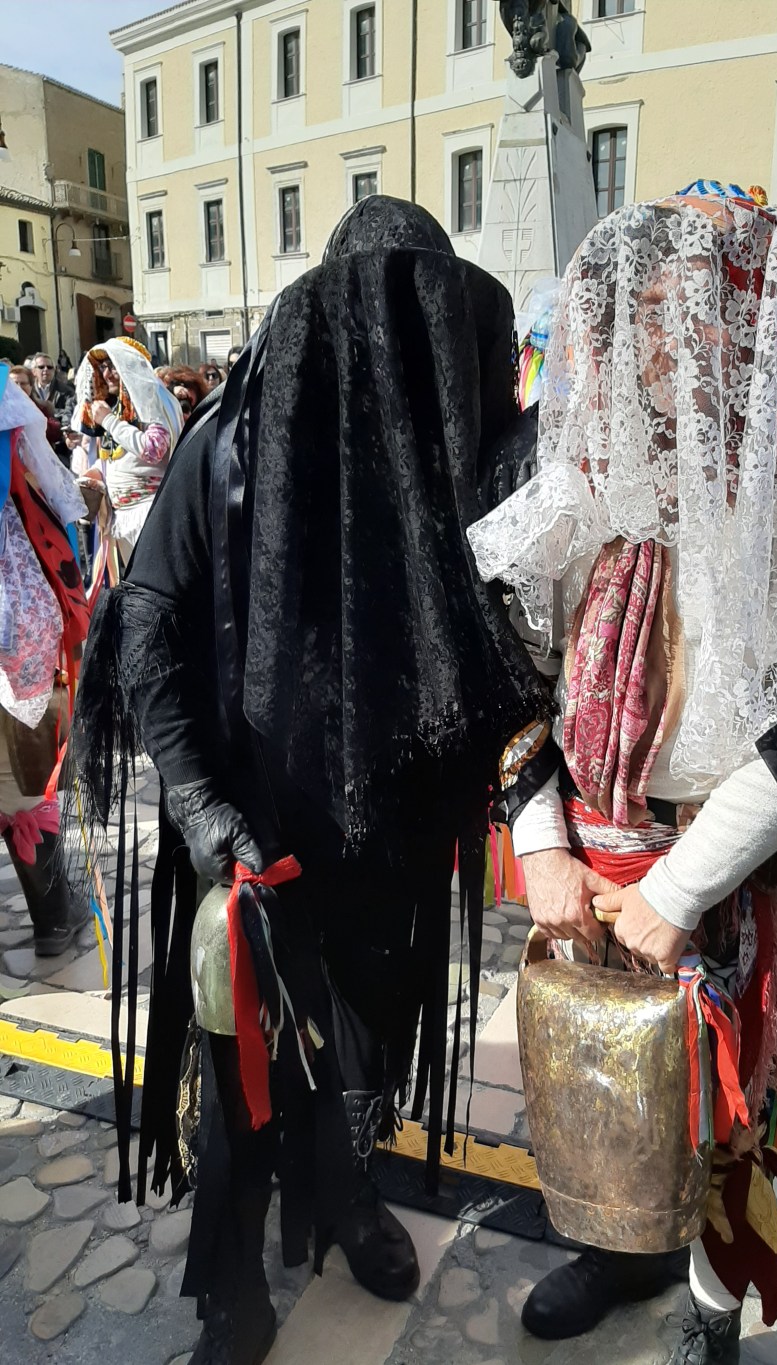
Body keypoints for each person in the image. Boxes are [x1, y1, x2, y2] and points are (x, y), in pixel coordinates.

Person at [469, 187, 777, 1364]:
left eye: (681, 314)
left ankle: (709, 1304)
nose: (652, 343)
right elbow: (503, 683)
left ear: (755, 325)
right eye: (636, 315)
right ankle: (616, 1244)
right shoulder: (578, 491)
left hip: (732, 873)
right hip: (589, 860)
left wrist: (680, 889)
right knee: (614, 1074)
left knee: (742, 1103)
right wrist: (541, 847)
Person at [70, 197, 545, 1365]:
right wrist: (198, 805)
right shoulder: (230, 440)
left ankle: (347, 1196)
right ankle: (230, 1281)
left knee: (368, 1049)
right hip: (254, 825)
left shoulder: (449, 459)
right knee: (246, 1071)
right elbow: (151, 625)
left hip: (394, 832)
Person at [0, 363, 91, 955]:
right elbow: (52, 491)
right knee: (19, 783)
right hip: (13, 617)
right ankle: (54, 918)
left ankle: (56, 917)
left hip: (14, 616)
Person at [71, 337, 184, 563]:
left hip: (151, 515)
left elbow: (154, 449)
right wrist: (96, 473)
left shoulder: (152, 399)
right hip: (121, 519)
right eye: (103, 367)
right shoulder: (118, 406)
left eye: (113, 365)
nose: (107, 374)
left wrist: (109, 421)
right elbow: (118, 459)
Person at [31, 352, 76, 425]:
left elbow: (70, 414)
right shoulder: (29, 390)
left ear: (54, 370)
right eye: (41, 367)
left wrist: (50, 410)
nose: (45, 369)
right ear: (34, 371)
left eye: (49, 367)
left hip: (58, 432)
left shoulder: (66, 391)